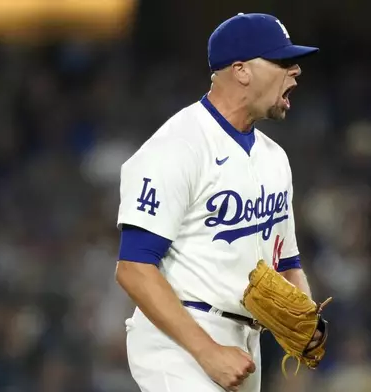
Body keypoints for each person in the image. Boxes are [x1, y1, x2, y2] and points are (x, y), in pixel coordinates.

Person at [114, 12, 320, 392]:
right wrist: (207, 351)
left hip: (245, 344)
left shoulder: (275, 158)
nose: (295, 71)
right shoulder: (178, 147)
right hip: (180, 342)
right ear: (241, 70)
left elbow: (287, 262)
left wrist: (304, 317)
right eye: (281, 61)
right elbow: (133, 268)